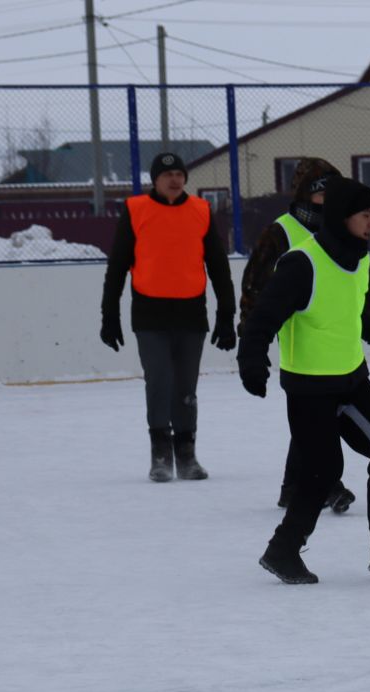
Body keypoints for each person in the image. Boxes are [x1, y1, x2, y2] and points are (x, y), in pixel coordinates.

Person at [238, 178, 370, 584]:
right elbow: (263, 317)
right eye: (365, 215)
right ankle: (283, 550)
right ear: (343, 217)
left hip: (352, 380)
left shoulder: (358, 259)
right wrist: (251, 359)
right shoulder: (301, 263)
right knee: (322, 471)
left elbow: (348, 310)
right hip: (309, 388)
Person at [238, 157, 370, 518]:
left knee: (312, 415)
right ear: (304, 195)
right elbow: (254, 289)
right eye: (320, 193)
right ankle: (325, 484)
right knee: (314, 414)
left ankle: (294, 486)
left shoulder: (346, 231)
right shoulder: (280, 233)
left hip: (334, 344)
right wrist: (250, 346)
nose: (328, 199)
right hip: (298, 341)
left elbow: (364, 286)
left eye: (334, 192)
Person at [101, 151, 236, 482]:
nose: (174, 179)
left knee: (186, 386)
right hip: (150, 313)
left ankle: (186, 454)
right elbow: (117, 267)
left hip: (191, 313)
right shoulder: (136, 211)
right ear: (155, 180)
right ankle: (160, 454)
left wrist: (225, 315)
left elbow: (218, 267)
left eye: (179, 174)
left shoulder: (201, 211)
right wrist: (110, 316)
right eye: (167, 175)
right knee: (159, 380)